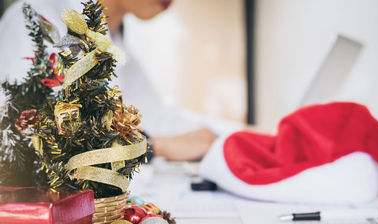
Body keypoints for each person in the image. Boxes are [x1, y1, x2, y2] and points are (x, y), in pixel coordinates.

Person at [0, 0, 236, 162]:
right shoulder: (35, 22)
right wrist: (153, 146)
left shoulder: (115, 45)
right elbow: (30, 140)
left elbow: (161, 118)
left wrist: (251, 137)